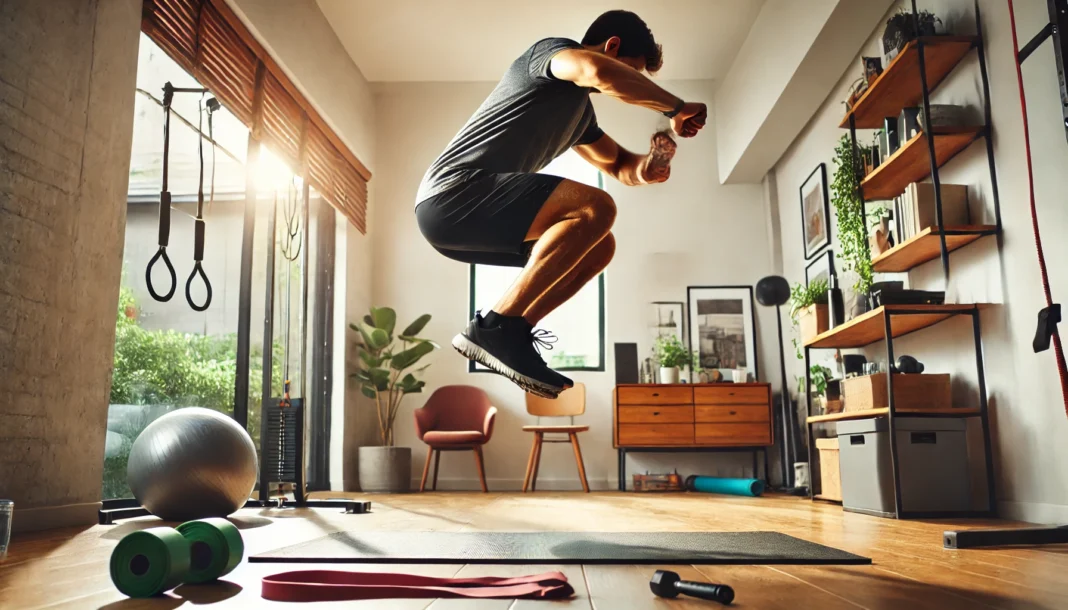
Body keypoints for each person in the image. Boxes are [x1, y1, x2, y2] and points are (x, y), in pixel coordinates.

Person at [415, 10, 707, 398]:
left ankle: (512, 333)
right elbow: (597, 71)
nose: (631, 85)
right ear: (612, 47)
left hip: (464, 225)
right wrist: (674, 106)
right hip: (451, 195)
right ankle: (493, 327)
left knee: (600, 246)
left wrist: (650, 166)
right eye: (633, 72)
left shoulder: (580, 117)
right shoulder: (550, 55)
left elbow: (619, 165)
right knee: (597, 207)